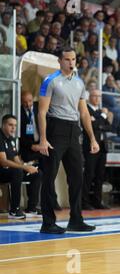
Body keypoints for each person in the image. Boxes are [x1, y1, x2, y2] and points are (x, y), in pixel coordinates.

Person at [37, 47, 100, 234]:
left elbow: (84, 112)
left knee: (77, 177)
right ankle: (47, 222)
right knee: (49, 177)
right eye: (67, 59)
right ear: (60, 61)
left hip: (74, 131)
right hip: (56, 128)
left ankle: (76, 220)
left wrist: (93, 138)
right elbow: (41, 112)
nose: (71, 62)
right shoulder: (50, 81)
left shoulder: (80, 83)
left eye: (73, 59)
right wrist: (43, 139)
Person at [20, 91, 61, 211]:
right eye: (25, 102)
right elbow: (19, 135)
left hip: (43, 146)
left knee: (49, 174)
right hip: (29, 149)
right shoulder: (19, 112)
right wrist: (32, 146)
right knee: (33, 174)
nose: (28, 104)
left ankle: (52, 202)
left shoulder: (39, 107)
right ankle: (32, 205)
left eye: (30, 101)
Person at [0, 114, 42, 219]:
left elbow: (16, 159)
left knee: (37, 173)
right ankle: (14, 210)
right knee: (17, 172)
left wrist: (27, 166)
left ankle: (31, 208)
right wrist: (23, 168)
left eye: (15, 125)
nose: (13, 128)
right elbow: (3, 162)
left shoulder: (11, 139)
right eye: (10, 125)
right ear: (3, 125)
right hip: (2, 171)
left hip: (11, 171)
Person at [81, 89, 111, 210]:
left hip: (102, 147)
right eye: (95, 96)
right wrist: (103, 116)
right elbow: (92, 126)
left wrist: (99, 121)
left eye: (99, 96)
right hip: (91, 146)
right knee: (89, 174)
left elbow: (108, 126)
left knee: (100, 175)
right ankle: (84, 201)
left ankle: (97, 201)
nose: (97, 98)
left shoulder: (98, 111)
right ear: (90, 97)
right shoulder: (87, 110)